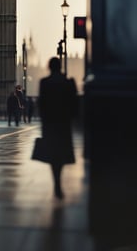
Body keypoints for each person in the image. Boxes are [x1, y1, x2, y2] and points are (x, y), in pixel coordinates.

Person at [38, 57, 78, 199]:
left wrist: (43, 124)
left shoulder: (44, 83)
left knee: (52, 154)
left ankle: (56, 181)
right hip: (63, 124)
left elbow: (41, 105)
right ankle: (58, 182)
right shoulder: (68, 83)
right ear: (60, 67)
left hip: (50, 124)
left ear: (49, 67)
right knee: (61, 153)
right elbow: (75, 104)